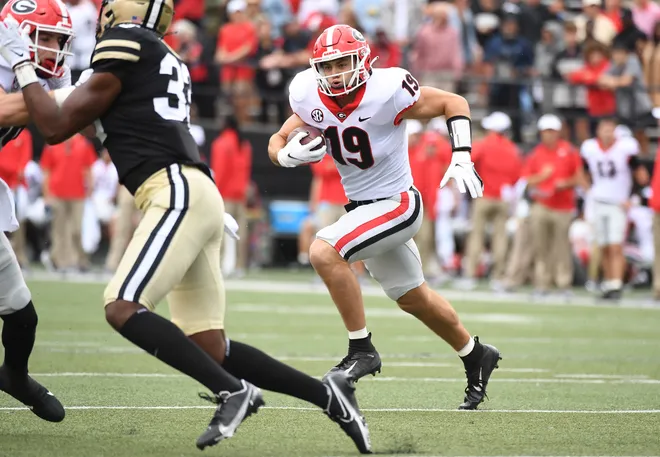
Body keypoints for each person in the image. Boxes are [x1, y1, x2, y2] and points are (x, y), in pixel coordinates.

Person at [0, 1, 371, 452]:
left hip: (171, 189)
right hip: (194, 188)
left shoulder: (124, 43)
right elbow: (59, 113)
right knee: (210, 345)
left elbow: (53, 124)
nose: (61, 47)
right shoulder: (160, 59)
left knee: (121, 305)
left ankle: (233, 390)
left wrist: (20, 61)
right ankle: (327, 395)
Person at [267, 24, 502, 410]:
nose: (335, 73)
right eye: (327, 66)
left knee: (324, 251)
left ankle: (361, 349)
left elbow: (453, 101)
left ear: (362, 61)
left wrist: (462, 154)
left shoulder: (387, 90)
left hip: (397, 204)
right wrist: (284, 155)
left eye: (343, 62)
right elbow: (278, 139)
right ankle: (475, 354)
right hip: (363, 210)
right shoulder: (308, 94)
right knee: (413, 298)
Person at [0, 0, 74, 423]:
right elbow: (8, 109)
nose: (53, 48)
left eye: (58, 40)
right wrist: (71, 95)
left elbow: (58, 122)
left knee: (21, 313)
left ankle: (15, 375)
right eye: (44, 37)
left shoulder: (29, 77)